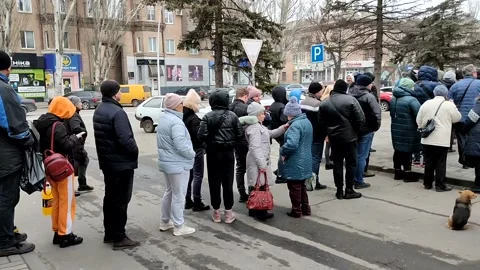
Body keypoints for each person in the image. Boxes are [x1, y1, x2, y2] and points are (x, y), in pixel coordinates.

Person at [93, 80, 139, 250]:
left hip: (108, 162)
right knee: (121, 200)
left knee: (110, 198)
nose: (120, 93)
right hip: (121, 163)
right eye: (119, 90)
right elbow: (125, 139)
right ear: (114, 93)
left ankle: (110, 233)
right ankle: (119, 236)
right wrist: (135, 151)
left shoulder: (100, 109)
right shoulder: (117, 112)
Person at [35, 97, 83, 248]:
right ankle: (65, 234)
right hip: (61, 168)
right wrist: (75, 138)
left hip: (49, 166)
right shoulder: (59, 125)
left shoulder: (42, 123)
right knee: (67, 202)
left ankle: (57, 231)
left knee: (57, 200)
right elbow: (66, 145)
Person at [0, 51, 35, 256]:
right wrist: (29, 141)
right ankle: (5, 241)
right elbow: (15, 126)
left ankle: (7, 234)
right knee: (6, 198)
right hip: (6, 155)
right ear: (8, 67)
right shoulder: (4, 89)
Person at [198, 90, 243, 224]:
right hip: (228, 153)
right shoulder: (233, 116)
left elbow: (201, 135)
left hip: (212, 153)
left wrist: (208, 143)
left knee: (214, 182)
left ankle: (216, 212)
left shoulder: (207, 117)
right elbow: (240, 135)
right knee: (228, 182)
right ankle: (228, 212)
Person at [157, 93, 196, 236]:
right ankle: (179, 226)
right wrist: (192, 154)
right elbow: (181, 145)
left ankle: (165, 221)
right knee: (179, 195)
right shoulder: (176, 122)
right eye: (181, 104)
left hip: (168, 163)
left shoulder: (165, 118)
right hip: (178, 164)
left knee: (169, 192)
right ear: (175, 106)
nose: (183, 106)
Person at [240, 102, 287, 220]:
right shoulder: (254, 128)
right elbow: (255, 148)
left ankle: (253, 209)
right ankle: (261, 210)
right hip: (258, 162)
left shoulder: (258, 126)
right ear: (256, 115)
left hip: (257, 161)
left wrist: (283, 128)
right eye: (262, 113)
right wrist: (262, 165)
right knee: (260, 186)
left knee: (256, 185)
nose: (264, 115)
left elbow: (269, 134)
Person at [319, 80, 364, 200]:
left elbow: (321, 122)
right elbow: (360, 118)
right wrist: (356, 131)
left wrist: (328, 132)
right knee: (351, 163)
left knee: (337, 163)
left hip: (334, 138)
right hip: (350, 137)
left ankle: (339, 190)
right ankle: (349, 189)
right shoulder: (351, 100)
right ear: (345, 89)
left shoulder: (324, 103)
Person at [416, 85, 461, 191]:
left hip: (427, 138)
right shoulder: (449, 105)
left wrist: (423, 127)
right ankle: (440, 185)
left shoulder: (426, 103)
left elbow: (418, 120)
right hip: (442, 139)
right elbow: (457, 118)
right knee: (440, 162)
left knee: (429, 161)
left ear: (434, 93)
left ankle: (427, 183)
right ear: (446, 94)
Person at [280, 97, 313, 217]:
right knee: (301, 186)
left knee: (294, 186)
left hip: (295, 160)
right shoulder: (306, 122)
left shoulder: (294, 126)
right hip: (306, 159)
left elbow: (292, 144)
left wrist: (282, 151)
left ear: (289, 114)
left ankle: (296, 210)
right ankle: (306, 208)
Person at [349, 75, 382, 189]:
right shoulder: (369, 96)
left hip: (352, 129)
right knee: (361, 156)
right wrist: (376, 127)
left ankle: (351, 179)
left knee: (353, 156)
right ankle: (359, 180)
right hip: (366, 129)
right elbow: (377, 112)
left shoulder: (349, 94)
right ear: (367, 84)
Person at [390, 78, 421, 182]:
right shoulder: (412, 100)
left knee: (398, 150)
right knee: (407, 151)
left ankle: (397, 172)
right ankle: (408, 174)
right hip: (409, 129)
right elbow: (419, 115)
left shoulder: (394, 98)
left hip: (395, 128)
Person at [183, 90, 210, 211]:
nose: (199, 106)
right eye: (198, 104)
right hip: (196, 149)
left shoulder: (183, 115)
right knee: (198, 175)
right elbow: (199, 136)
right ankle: (197, 201)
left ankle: (187, 200)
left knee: (189, 176)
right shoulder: (194, 119)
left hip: (187, 149)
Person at [448, 64, 480, 168]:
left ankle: (464, 161)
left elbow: (449, 101)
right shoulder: (479, 84)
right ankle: (474, 159)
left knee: (461, 139)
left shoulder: (455, 86)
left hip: (460, 117)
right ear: (474, 73)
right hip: (475, 118)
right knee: (474, 138)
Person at [300, 82, 327, 190]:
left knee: (306, 157)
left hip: (305, 133)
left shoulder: (303, 101)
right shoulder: (317, 104)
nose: (322, 93)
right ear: (317, 91)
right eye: (321, 91)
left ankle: (304, 179)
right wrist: (325, 134)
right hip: (316, 135)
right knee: (315, 158)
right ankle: (313, 182)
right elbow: (321, 121)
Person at [66, 96, 94, 195]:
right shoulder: (74, 115)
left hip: (74, 143)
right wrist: (83, 132)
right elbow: (75, 128)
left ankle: (81, 184)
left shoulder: (71, 113)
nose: (81, 103)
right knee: (76, 164)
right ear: (74, 104)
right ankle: (74, 187)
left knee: (82, 161)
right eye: (79, 102)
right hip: (76, 144)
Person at [229, 88, 250, 202]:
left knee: (240, 168)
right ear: (245, 96)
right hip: (244, 141)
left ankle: (241, 192)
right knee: (250, 166)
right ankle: (252, 192)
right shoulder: (245, 108)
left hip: (233, 141)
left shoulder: (229, 107)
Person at [269, 85, 289, 182]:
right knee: (283, 154)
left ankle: (279, 171)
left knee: (282, 152)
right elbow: (284, 120)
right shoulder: (282, 106)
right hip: (282, 132)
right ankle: (280, 175)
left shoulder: (273, 105)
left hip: (276, 131)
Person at [463, 97, 480, 193]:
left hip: (477, 138)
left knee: (479, 163)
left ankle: (478, 186)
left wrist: (464, 130)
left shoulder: (478, 106)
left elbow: (469, 120)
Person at [320, 84, 334, 170]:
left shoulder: (322, 99)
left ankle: (327, 162)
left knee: (328, 145)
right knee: (330, 145)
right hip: (330, 125)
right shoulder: (330, 100)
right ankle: (329, 162)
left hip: (324, 126)